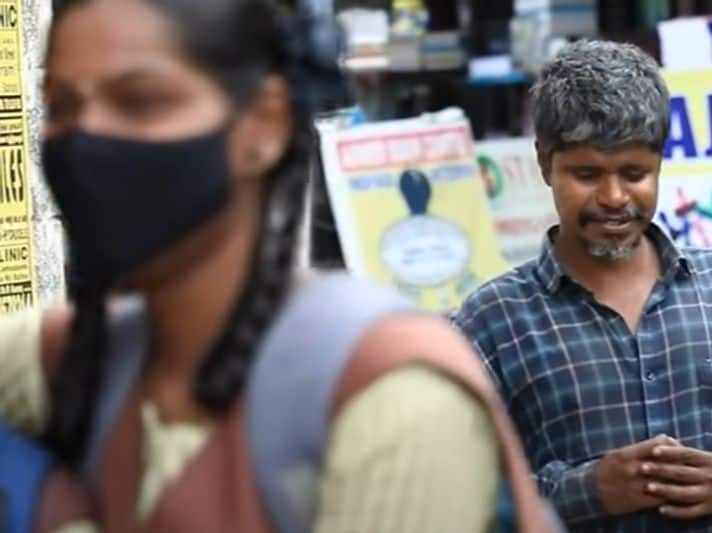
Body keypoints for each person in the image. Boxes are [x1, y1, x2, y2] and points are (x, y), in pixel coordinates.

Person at [0, 0, 559, 531]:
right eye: (64, 107)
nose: (89, 138)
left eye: (142, 102)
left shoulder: (390, 396)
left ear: (263, 125)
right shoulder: (71, 357)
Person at [451, 39, 712, 532]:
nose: (614, 197)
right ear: (545, 163)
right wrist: (586, 491)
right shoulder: (490, 322)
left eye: (635, 173)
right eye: (587, 174)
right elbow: (459, 493)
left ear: (660, 161)